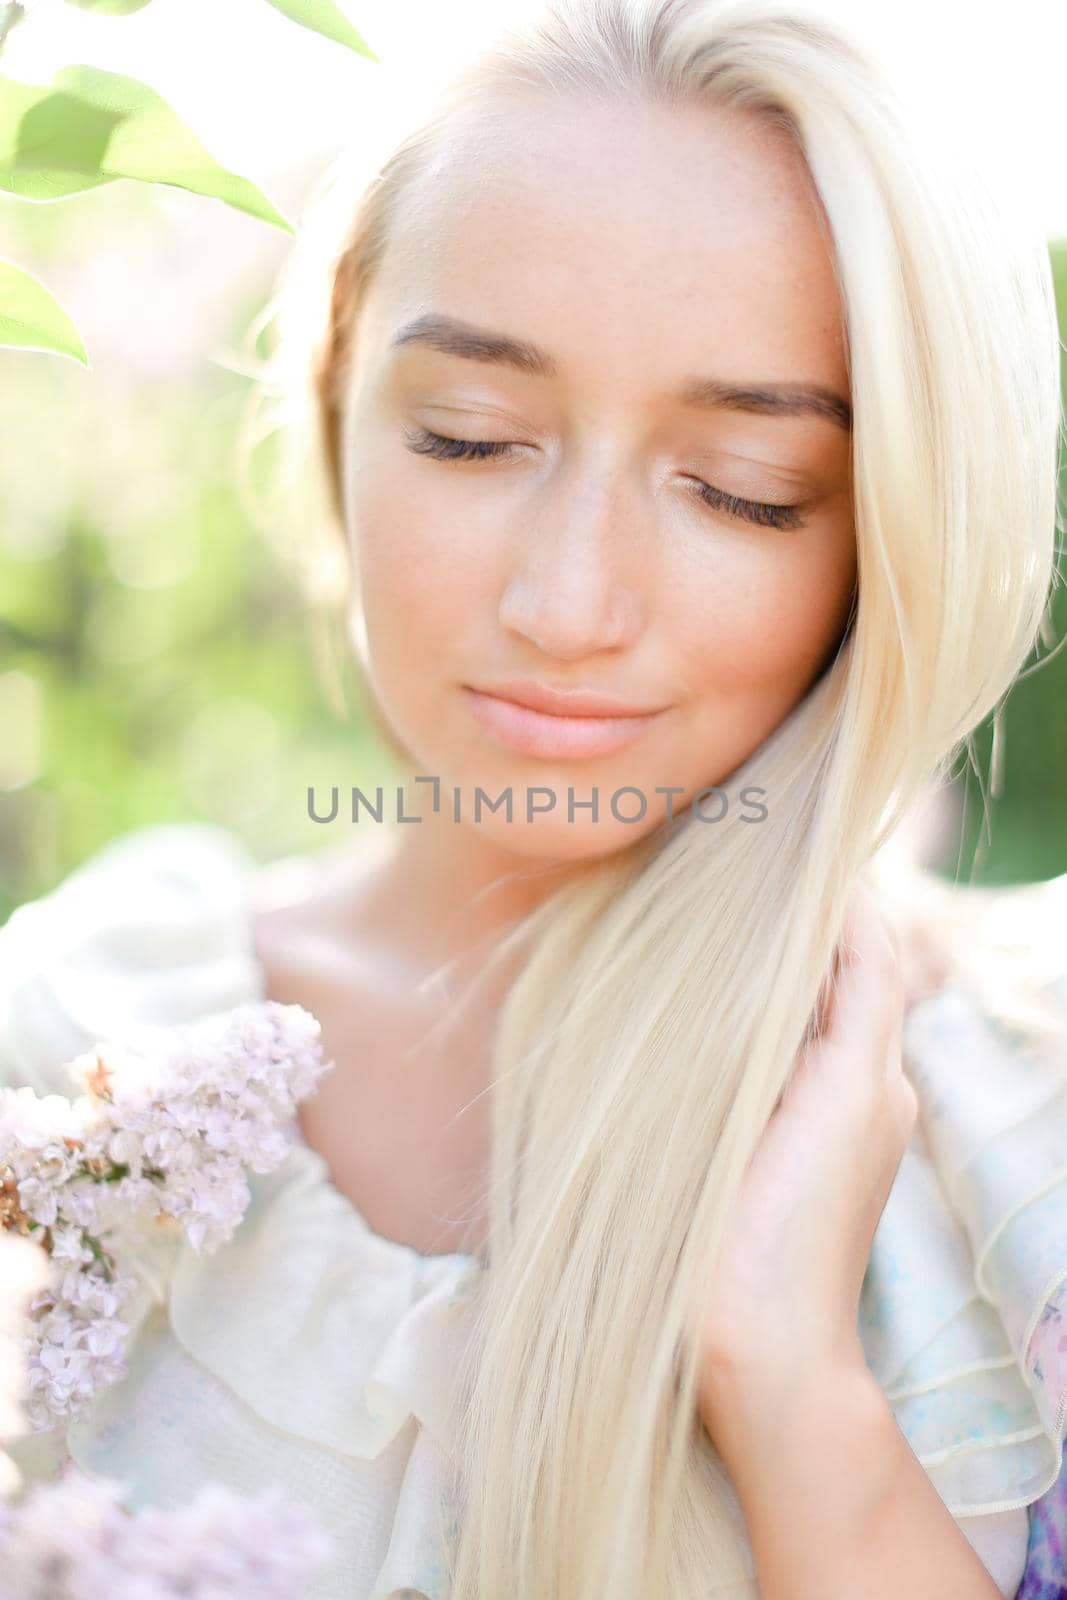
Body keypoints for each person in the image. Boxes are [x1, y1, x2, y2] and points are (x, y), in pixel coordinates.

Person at [2, 1, 1066, 1596]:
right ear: (340, 402)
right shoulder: (63, 1053)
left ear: (891, 533)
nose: (569, 603)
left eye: (741, 489)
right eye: (474, 438)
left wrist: (797, 1401)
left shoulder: (1020, 1138)